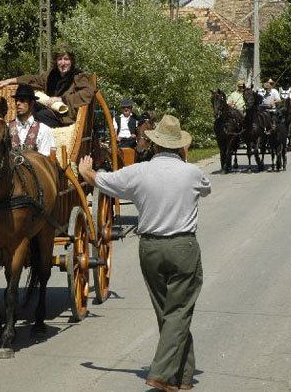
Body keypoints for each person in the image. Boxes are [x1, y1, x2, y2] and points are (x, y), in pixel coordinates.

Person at [78, 115, 211, 392]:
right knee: (179, 311)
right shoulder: (192, 173)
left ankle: (183, 377)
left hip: (150, 248)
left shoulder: (139, 172)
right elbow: (206, 188)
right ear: (181, 147)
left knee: (168, 311)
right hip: (182, 247)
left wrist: (86, 172)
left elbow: (103, 181)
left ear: (154, 145)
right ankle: (161, 373)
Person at [0, 45, 96, 127]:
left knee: (40, 116)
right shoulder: (51, 75)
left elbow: (88, 92)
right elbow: (34, 79)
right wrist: (11, 80)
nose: (63, 63)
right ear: (56, 62)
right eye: (60, 59)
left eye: (66, 59)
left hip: (64, 117)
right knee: (31, 105)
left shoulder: (78, 76)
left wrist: (62, 99)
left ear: (71, 61)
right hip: (51, 111)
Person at [8, 84, 55, 156]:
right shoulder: (7, 127)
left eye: (22, 100)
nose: (18, 103)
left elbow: (46, 161)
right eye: (16, 100)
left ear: (32, 103)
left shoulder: (43, 129)